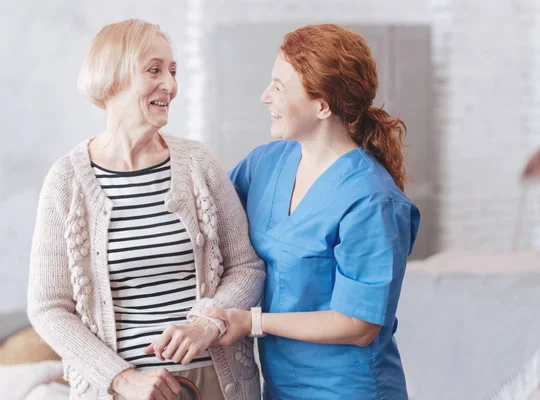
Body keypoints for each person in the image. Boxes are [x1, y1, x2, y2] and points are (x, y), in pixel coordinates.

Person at [27, 19, 264, 400]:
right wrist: (120, 377)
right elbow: (49, 308)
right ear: (112, 76)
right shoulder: (66, 181)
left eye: (173, 72)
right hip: (121, 389)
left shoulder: (199, 164)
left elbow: (247, 267)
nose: (170, 85)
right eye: (154, 70)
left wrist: (208, 322)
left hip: (218, 382)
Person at [202, 24, 421, 400]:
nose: (264, 96)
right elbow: (205, 213)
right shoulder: (265, 165)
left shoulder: (372, 200)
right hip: (280, 388)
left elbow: (359, 324)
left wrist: (250, 321)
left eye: (279, 87)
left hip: (349, 390)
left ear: (322, 106)